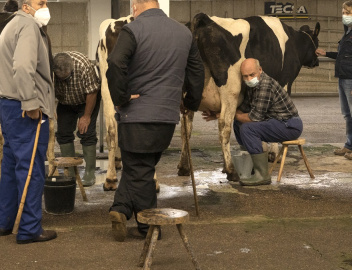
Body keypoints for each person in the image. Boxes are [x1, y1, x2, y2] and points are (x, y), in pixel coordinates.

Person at [106, 0, 204, 242]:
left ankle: (146, 227)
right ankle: (120, 209)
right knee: (140, 167)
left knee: (139, 170)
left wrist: (121, 97)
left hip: (136, 116)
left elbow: (115, 63)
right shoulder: (184, 33)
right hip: (166, 118)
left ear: (136, 6)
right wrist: (190, 103)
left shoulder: (133, 30)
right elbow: (197, 72)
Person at [0, 0, 57, 244]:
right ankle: (30, 229)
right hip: (25, 110)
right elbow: (22, 67)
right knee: (32, 170)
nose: (45, 6)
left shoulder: (11, 24)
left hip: (8, 106)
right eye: (40, 2)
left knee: (11, 168)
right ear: (26, 6)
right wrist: (31, 103)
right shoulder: (29, 27)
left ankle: (5, 223)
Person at [203, 58, 303, 186]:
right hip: (275, 122)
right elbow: (242, 110)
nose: (249, 79)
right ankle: (249, 165)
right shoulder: (252, 86)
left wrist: (227, 115)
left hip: (289, 125)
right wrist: (220, 114)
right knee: (239, 124)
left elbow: (253, 118)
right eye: (245, 76)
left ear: (260, 70)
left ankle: (262, 175)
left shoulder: (265, 85)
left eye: (252, 75)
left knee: (248, 128)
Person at [53, 51, 101, 186]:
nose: (64, 81)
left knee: (87, 132)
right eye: (61, 79)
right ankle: (71, 172)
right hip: (65, 102)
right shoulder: (51, 68)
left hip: (87, 99)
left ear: (72, 69)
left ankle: (90, 172)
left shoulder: (84, 66)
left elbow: (92, 92)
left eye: (67, 78)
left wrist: (86, 116)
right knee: (63, 134)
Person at [316, 1, 352, 160]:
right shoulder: (347, 32)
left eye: (348, 12)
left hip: (351, 79)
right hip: (343, 77)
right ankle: (349, 145)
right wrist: (326, 53)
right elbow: (343, 56)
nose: (344, 15)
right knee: (347, 114)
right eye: (343, 12)